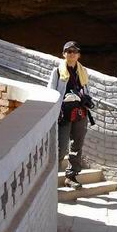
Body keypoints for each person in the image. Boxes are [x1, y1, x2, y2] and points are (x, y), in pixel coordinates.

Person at [47, 41, 93, 189]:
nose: (71, 54)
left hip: (80, 112)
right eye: (69, 51)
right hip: (63, 114)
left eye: (74, 51)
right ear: (64, 54)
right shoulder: (57, 71)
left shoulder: (82, 72)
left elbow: (87, 90)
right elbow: (51, 92)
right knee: (61, 147)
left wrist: (86, 99)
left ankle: (71, 176)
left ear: (79, 55)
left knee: (77, 146)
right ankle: (51, 179)